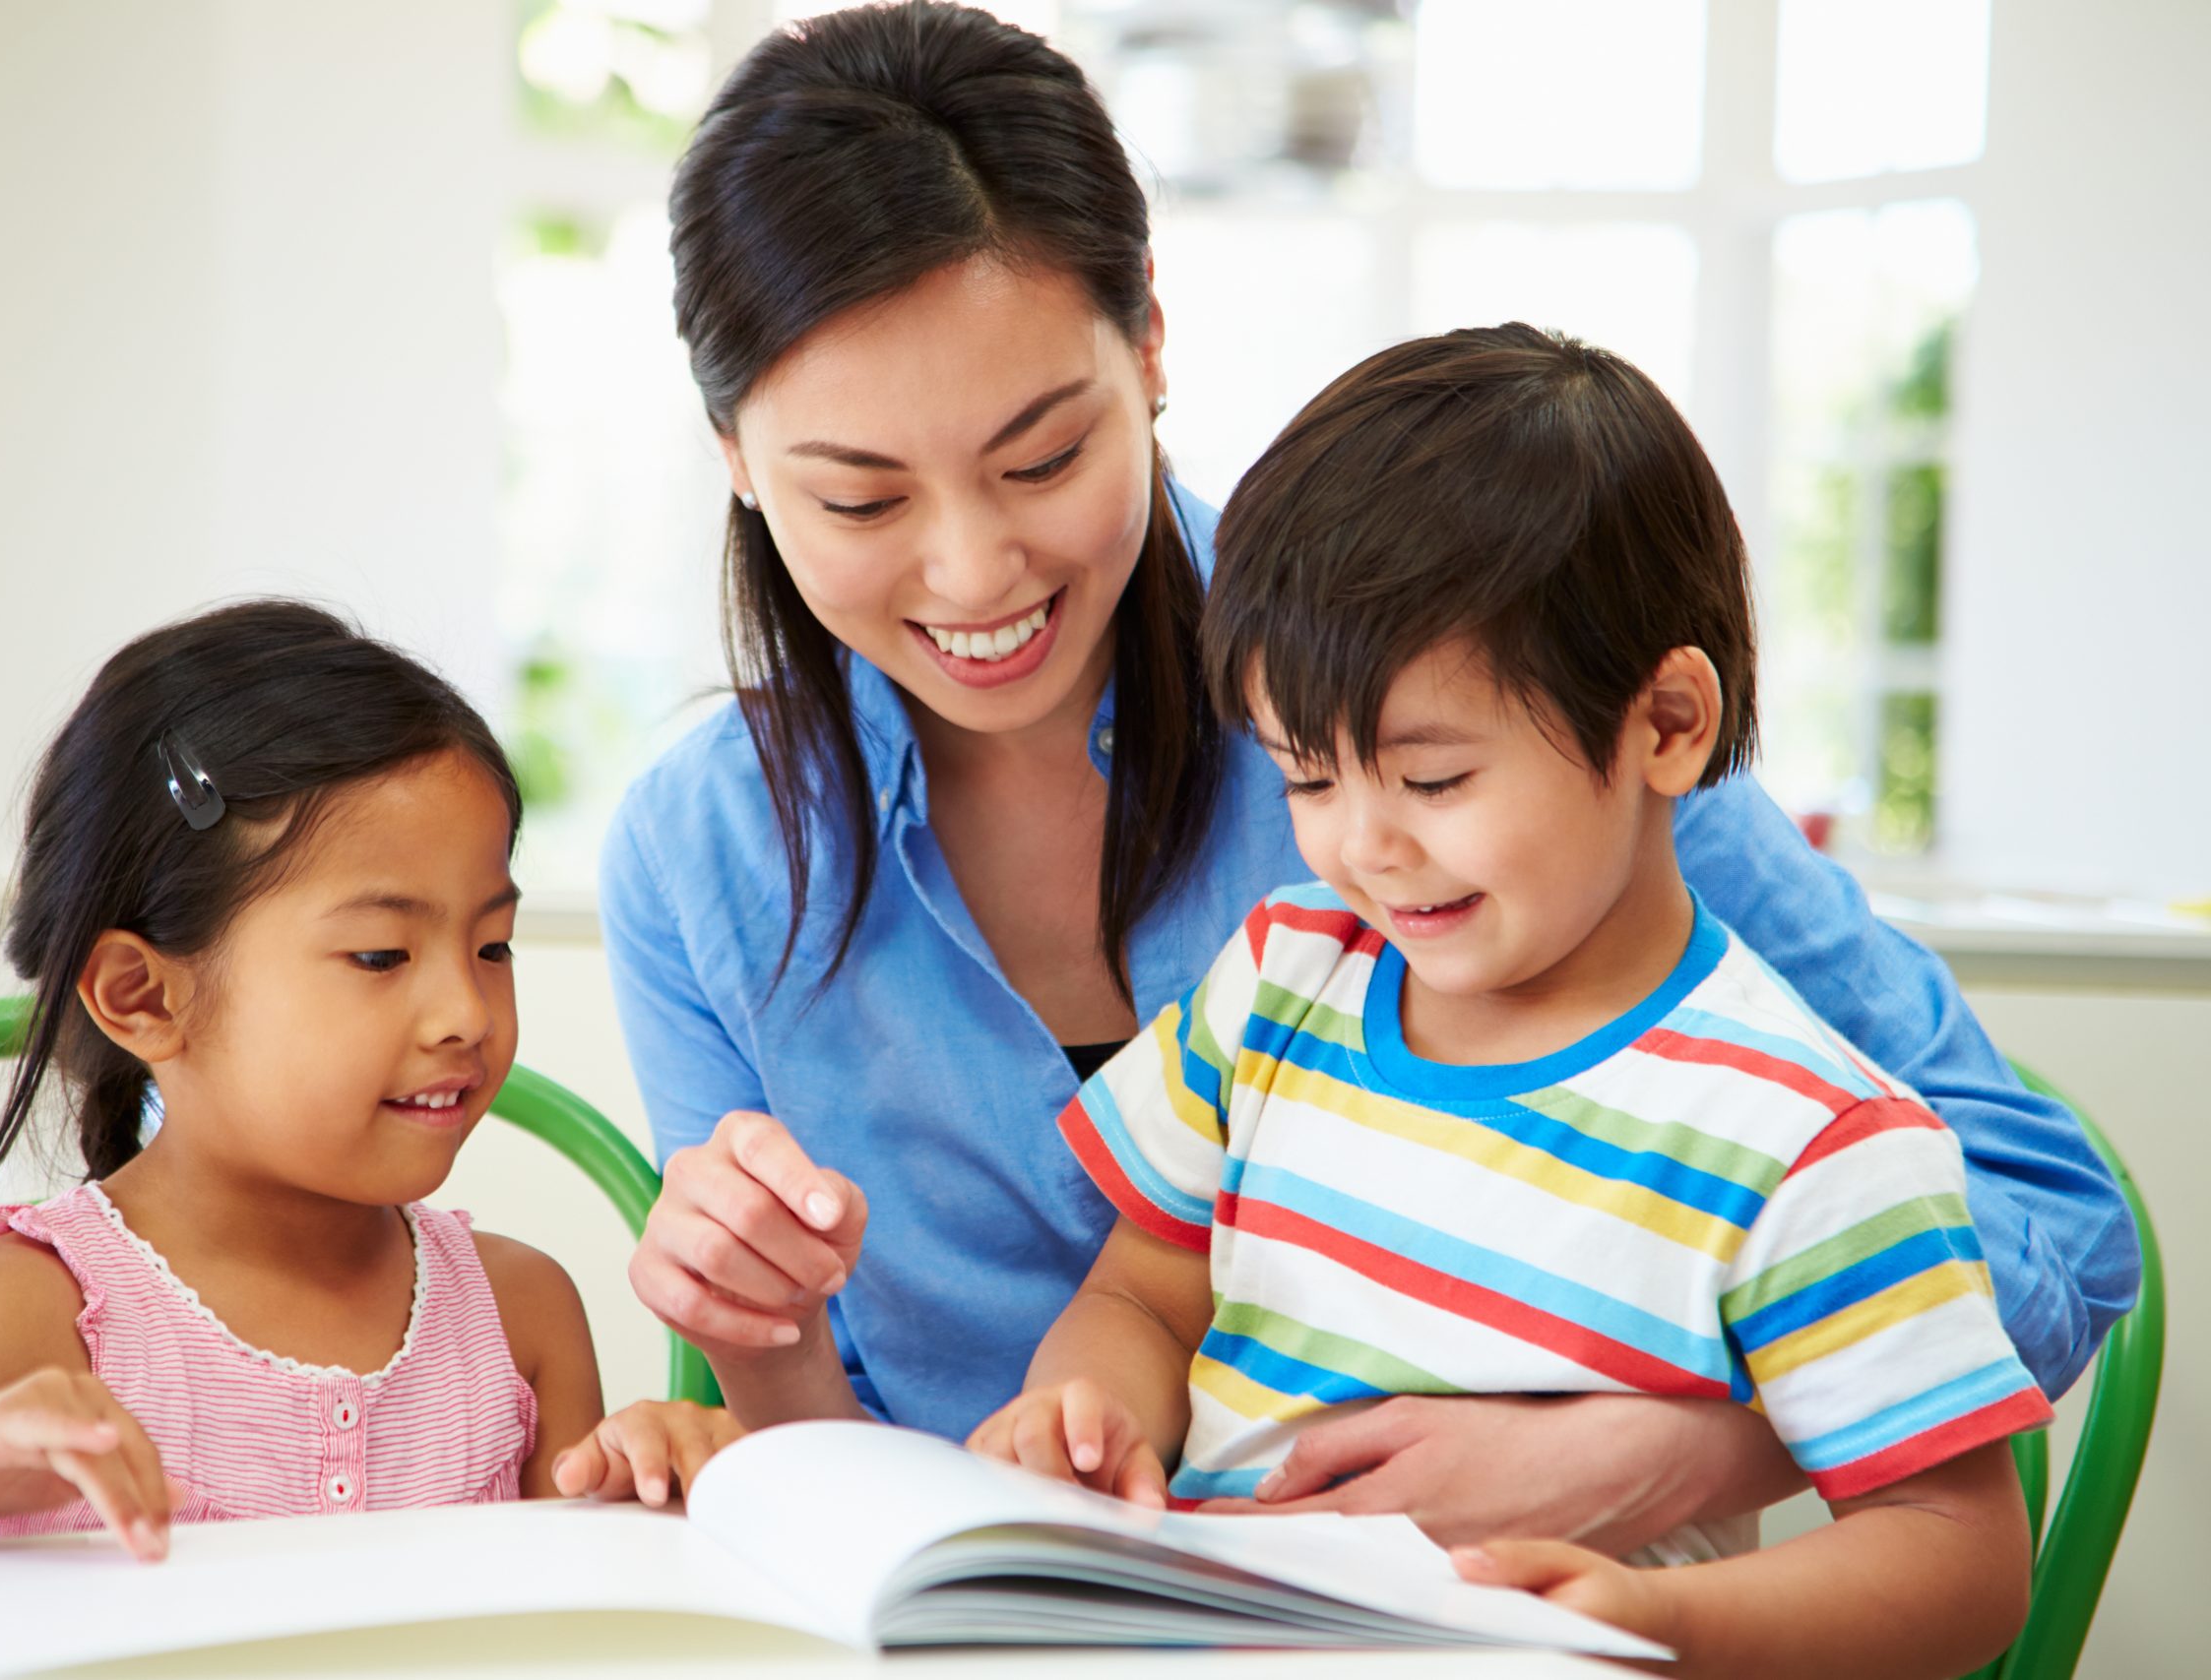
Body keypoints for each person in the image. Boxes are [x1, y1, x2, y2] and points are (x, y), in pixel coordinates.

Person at [601, 0, 2133, 1552]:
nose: (973, 568)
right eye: (862, 500)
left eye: (1044, 459)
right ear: (736, 453)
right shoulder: (700, 856)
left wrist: (1680, 1446)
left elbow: (2052, 1219)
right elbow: (843, 1451)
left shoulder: (1468, 673)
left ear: (1149, 343)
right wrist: (751, 1324)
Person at [971, 325, 2045, 1679]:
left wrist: (1664, 1620)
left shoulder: (1807, 1137)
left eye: (1432, 780)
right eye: (1307, 778)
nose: (1364, 845)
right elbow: (1142, 1294)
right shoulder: (1281, 981)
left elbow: (1959, 1557)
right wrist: (1088, 1412)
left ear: (1667, 724)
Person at [0, 602, 734, 1560]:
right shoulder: (21, 1319)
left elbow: (566, 1629)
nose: (466, 1012)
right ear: (142, 996)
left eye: (493, 947)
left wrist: (657, 1504)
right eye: (381, 955)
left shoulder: (522, 1315)